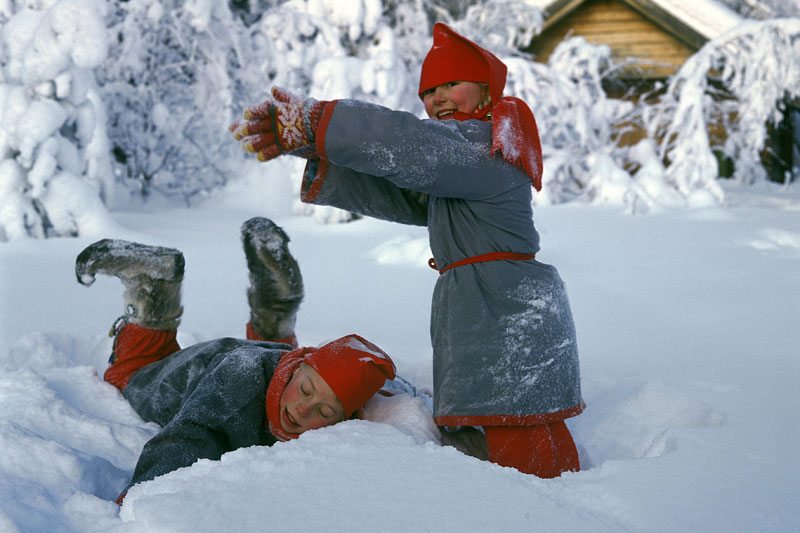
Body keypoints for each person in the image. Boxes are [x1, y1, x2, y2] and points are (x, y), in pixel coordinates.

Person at [230, 23, 584, 478]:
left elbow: (410, 145)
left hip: (506, 311)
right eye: (429, 90)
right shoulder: (460, 163)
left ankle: (556, 514)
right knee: (485, 435)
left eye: (451, 84)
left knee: (520, 443)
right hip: (488, 307)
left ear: (487, 91)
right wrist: (313, 148)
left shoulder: (486, 145)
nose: (437, 98)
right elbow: (401, 187)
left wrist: (322, 121)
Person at [76, 217, 397, 503]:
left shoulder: (308, 373)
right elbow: (190, 437)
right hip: (201, 373)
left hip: (261, 359)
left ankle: (276, 305)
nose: (302, 409)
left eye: (324, 411)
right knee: (130, 376)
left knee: (276, 356)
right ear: (301, 366)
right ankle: (154, 285)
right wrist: (142, 501)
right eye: (307, 391)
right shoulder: (235, 395)